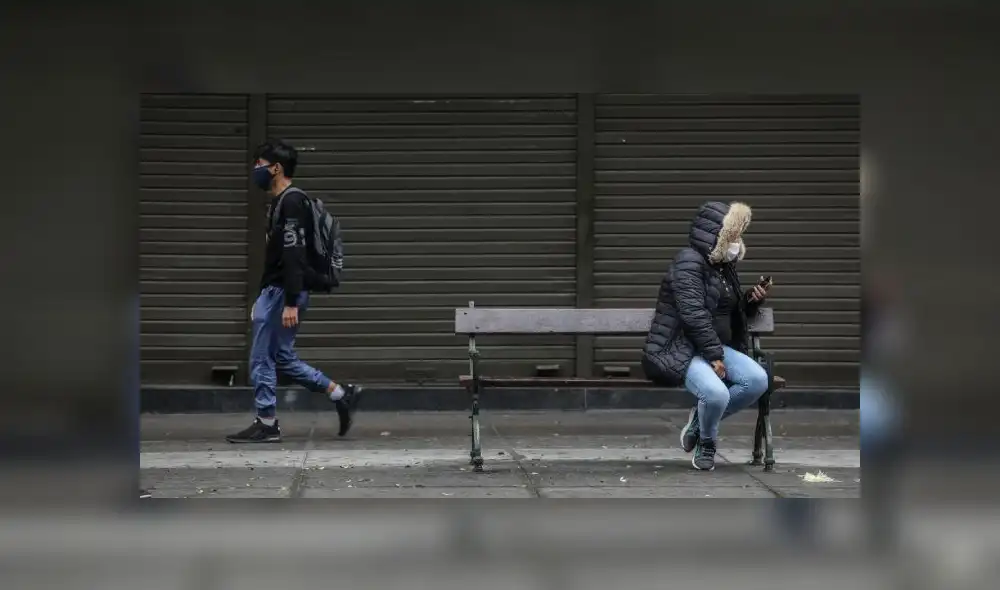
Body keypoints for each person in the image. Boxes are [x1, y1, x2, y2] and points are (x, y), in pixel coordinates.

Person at [227, 139, 362, 443]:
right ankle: (341, 393)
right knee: (283, 358)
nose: (255, 170)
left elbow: (294, 254)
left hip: (283, 293)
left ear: (276, 168)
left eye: (260, 165)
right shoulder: (282, 202)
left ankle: (267, 423)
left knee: (261, 359)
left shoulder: (291, 202)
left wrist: (288, 301)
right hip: (277, 292)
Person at [641, 201, 771, 471]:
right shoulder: (688, 262)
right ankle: (707, 442)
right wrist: (714, 356)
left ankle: (699, 422)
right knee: (716, 394)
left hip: (714, 345)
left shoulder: (723, 266)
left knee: (758, 380)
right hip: (679, 347)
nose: (737, 240)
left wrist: (750, 300)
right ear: (717, 233)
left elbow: (726, 310)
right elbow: (693, 314)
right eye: (733, 234)